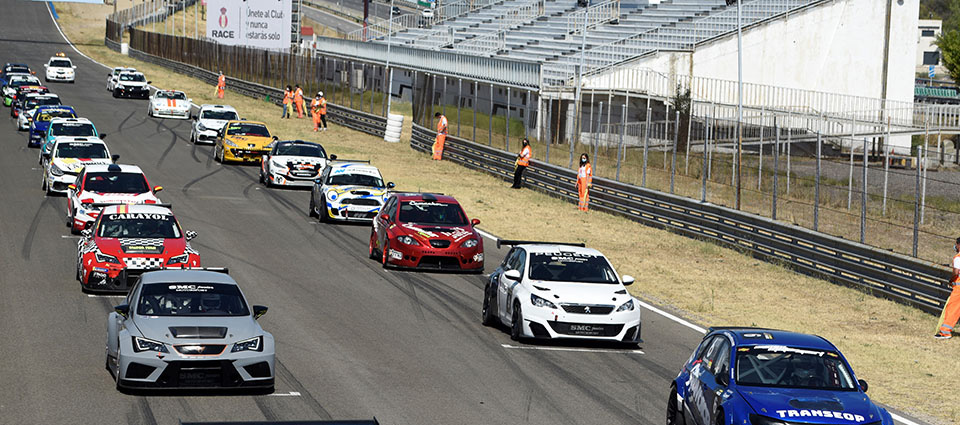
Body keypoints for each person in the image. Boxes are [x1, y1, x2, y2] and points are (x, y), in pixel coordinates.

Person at [935, 237, 960, 339]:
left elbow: (956, 272)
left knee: (952, 309)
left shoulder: (958, 257)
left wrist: (951, 280)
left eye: (956, 244)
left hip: (958, 289)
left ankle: (945, 332)